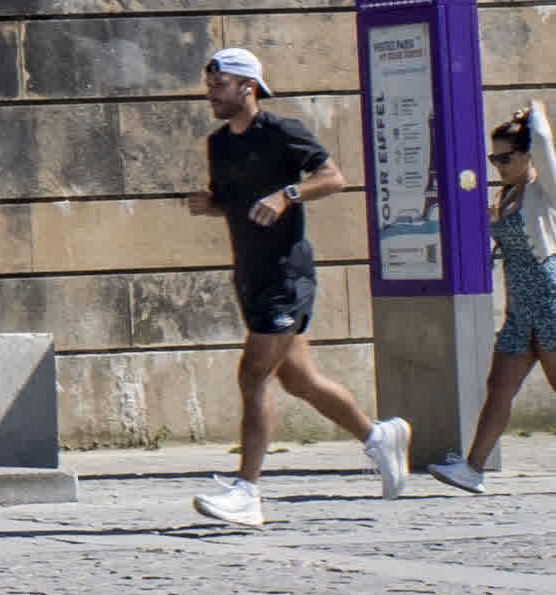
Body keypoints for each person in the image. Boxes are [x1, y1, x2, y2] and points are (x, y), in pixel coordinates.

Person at [186, 46, 411, 525]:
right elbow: (231, 200)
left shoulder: (282, 132)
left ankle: (247, 490)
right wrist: (208, 202)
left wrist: (287, 195)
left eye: (219, 85)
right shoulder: (219, 144)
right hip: (249, 272)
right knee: (298, 378)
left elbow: (333, 178)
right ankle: (378, 437)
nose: (211, 94)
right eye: (209, 86)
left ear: (248, 86)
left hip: (287, 275)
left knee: (253, 374)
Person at [429, 103, 556, 491]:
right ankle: (473, 469)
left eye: (506, 157)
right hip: (520, 307)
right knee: (499, 385)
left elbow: (547, 145)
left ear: (527, 154)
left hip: (549, 301)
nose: (498, 165)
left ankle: (473, 467)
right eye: (493, 158)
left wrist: (535, 111)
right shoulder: (506, 196)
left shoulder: (543, 189)